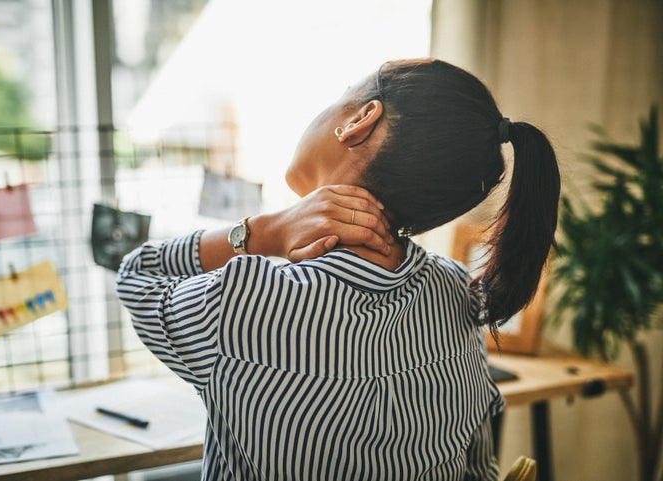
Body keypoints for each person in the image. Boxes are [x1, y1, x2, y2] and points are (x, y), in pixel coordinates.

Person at [116, 58, 561, 481]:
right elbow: (478, 470)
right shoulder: (457, 295)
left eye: (342, 92)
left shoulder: (242, 301)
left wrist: (260, 232)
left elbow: (137, 273)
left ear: (360, 119)